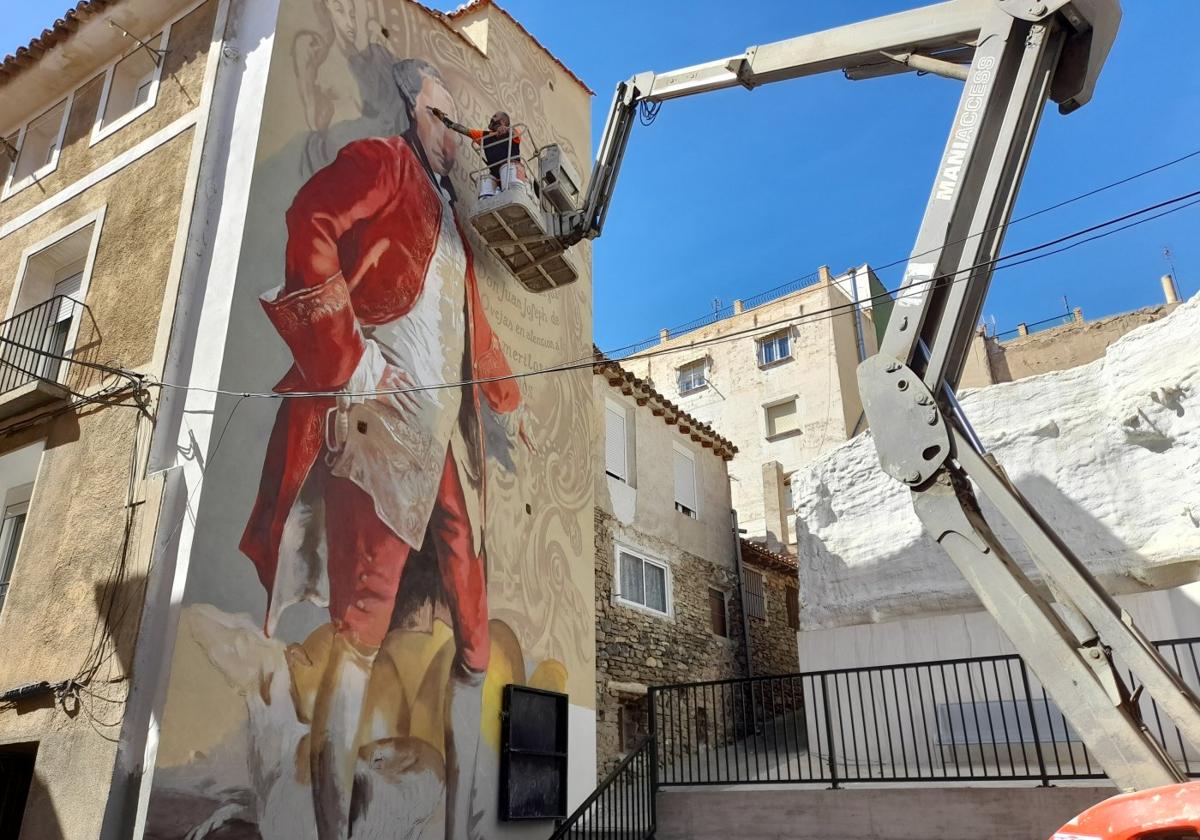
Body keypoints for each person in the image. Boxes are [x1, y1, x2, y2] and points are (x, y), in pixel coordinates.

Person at [240, 57, 533, 840]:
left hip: (435, 437)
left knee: (475, 621)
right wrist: (352, 359)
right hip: (374, 424)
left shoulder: (453, 221)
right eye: (441, 118)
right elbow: (310, 220)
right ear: (413, 114)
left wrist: (509, 404)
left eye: (452, 123)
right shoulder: (381, 163)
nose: (451, 136)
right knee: (362, 623)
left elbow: (472, 328)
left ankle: (464, 829)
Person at [430, 107, 524, 189]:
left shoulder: (514, 134)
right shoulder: (484, 136)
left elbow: (514, 132)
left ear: (503, 121)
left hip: (514, 175)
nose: (491, 118)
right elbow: (463, 130)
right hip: (498, 180)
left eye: (495, 116)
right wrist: (443, 118)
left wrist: (506, 129)